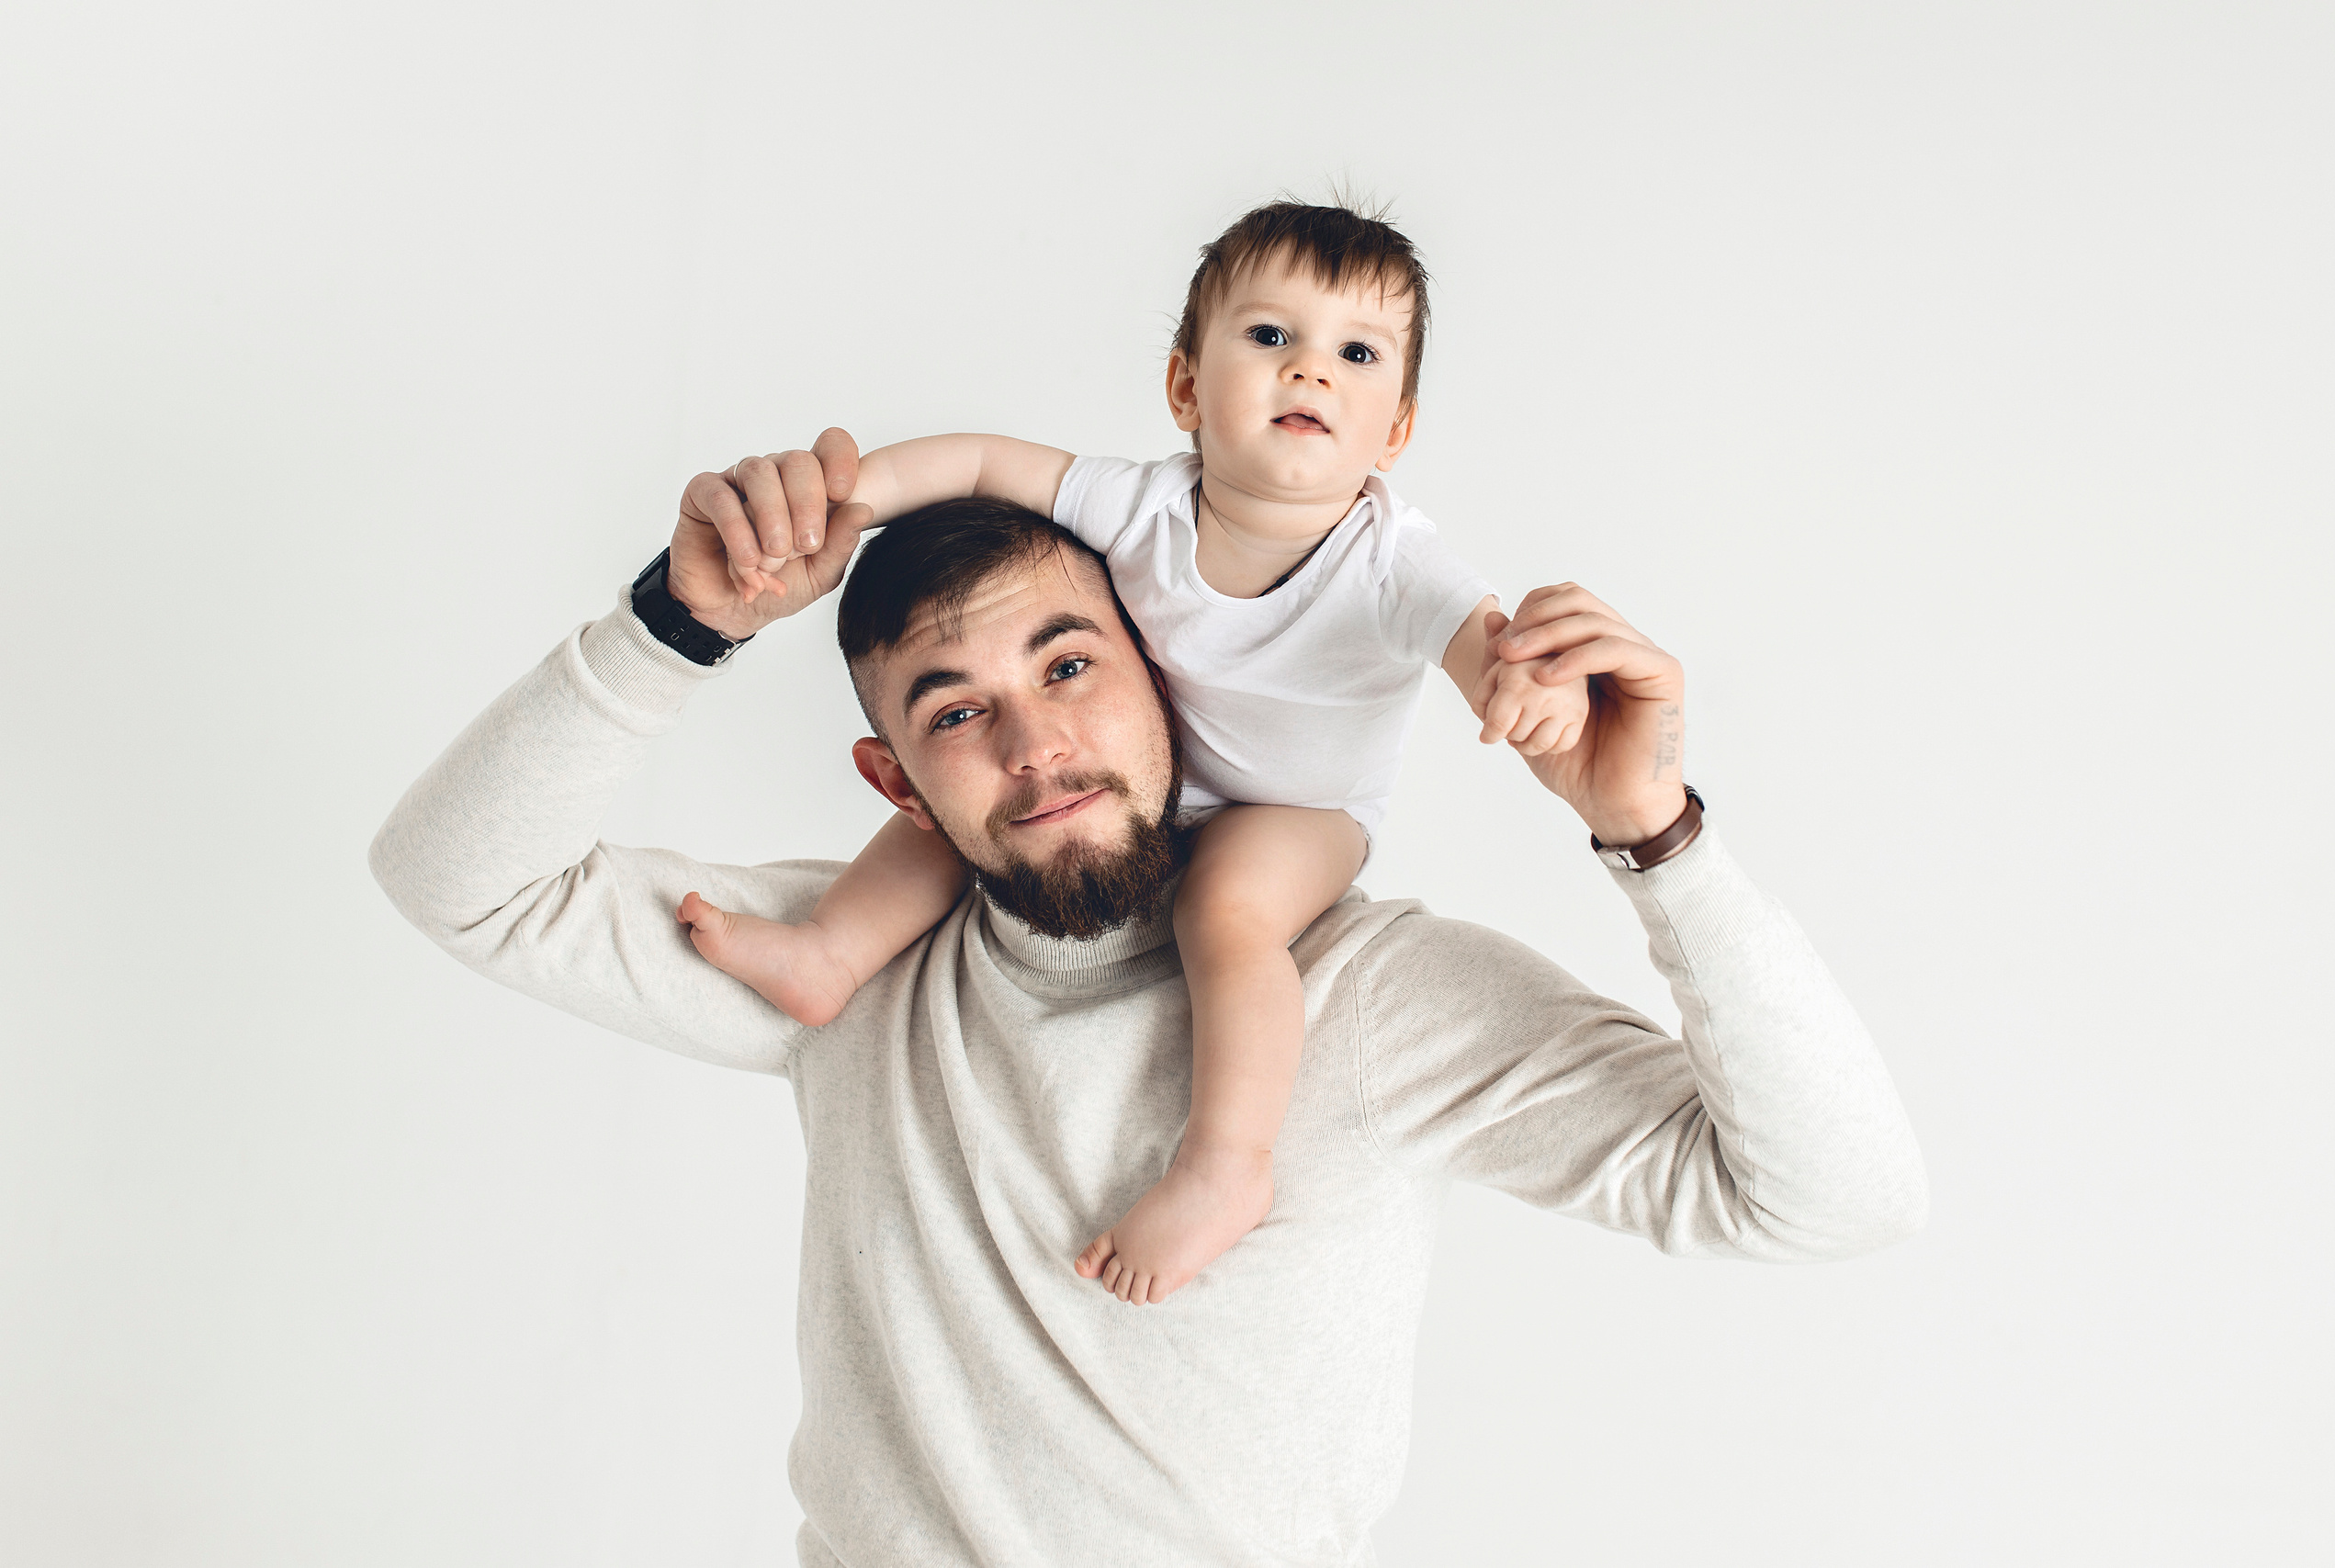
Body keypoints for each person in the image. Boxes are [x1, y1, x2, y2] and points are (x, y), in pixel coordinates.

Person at [370, 455, 1928, 1567]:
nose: (1039, 745)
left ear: (1168, 676)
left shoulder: (1368, 990)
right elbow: (457, 879)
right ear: (895, 783)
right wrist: (671, 627)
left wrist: (1655, 836)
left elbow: (1827, 1199)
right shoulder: (847, 966)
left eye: (1071, 666)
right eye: (958, 712)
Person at [675, 202, 1578, 1303]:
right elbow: (977, 458)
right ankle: (831, 954)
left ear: (1393, 429)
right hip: (1146, 779)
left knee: (1225, 910)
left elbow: (1477, 642)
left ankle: (1225, 1162)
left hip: (1302, 813)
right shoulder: (1142, 504)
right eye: (1267, 338)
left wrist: (1521, 686)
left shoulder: (1394, 562)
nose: (1310, 373)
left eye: (1356, 354)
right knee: (971, 812)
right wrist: (845, 508)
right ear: (1186, 388)